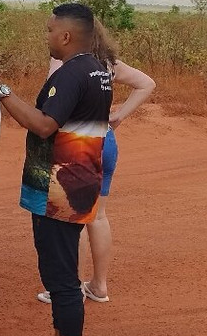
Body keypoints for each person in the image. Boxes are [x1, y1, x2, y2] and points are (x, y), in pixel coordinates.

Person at [0, 3, 111, 336]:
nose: (47, 36)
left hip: (62, 187)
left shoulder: (71, 74)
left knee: (63, 281)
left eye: (50, 30)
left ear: (66, 36)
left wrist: (0, 86)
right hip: (70, 181)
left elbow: (42, 124)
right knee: (56, 275)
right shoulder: (96, 70)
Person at [36, 18, 155, 305]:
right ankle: (99, 285)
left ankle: (69, 285)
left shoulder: (66, 64)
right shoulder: (107, 63)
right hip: (105, 141)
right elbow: (146, 84)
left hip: (76, 145)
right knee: (97, 217)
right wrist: (119, 116)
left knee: (70, 217)